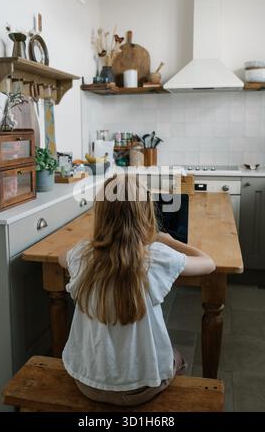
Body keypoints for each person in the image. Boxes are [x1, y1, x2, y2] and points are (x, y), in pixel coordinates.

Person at [58, 174, 215, 406]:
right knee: (176, 356)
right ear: (145, 215)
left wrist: (95, 243)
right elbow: (209, 263)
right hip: (141, 389)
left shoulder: (82, 255)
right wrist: (169, 240)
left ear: (100, 215)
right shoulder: (157, 257)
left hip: (86, 382)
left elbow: (63, 257)